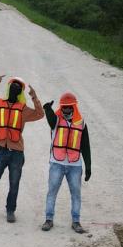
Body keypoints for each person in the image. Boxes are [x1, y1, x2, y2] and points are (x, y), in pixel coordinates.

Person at [0, 76, 44, 224]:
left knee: (14, 184)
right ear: (9, 88)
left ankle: (10, 211)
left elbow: (40, 114)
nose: (15, 89)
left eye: (18, 88)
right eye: (13, 86)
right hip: (0, 152)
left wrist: (34, 97)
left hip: (17, 153)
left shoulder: (23, 110)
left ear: (19, 92)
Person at [41, 92, 92, 234]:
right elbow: (51, 120)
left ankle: (76, 222)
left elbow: (86, 147)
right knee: (52, 192)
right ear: (61, 107)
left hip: (75, 164)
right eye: (64, 107)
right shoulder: (56, 120)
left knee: (76, 194)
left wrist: (88, 166)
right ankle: (48, 220)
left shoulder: (81, 124)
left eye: (70, 107)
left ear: (74, 107)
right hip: (56, 162)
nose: (67, 110)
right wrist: (48, 109)